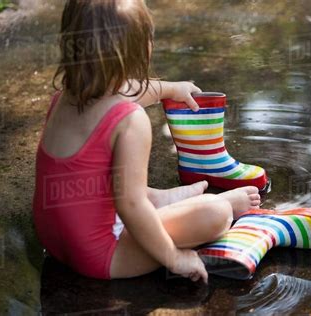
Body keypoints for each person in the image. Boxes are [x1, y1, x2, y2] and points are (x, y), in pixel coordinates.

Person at [32, 0, 261, 283]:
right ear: (143, 48)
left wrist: (172, 89)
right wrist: (174, 258)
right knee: (215, 213)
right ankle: (214, 202)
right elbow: (130, 206)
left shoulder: (63, 99)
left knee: (117, 182)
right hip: (102, 256)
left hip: (55, 242)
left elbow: (125, 91)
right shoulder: (130, 120)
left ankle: (164, 199)